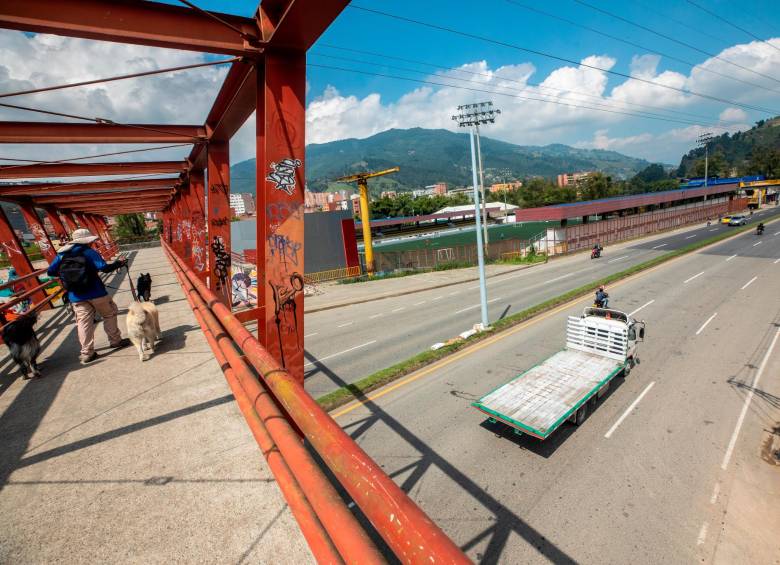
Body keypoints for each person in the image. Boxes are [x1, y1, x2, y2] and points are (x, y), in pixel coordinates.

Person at [47, 229, 129, 364]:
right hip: (96, 292)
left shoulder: (61, 254)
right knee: (109, 314)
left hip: (75, 296)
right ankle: (115, 341)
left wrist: (69, 277)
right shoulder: (89, 252)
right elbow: (104, 268)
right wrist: (119, 262)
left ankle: (87, 353)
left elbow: (51, 272)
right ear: (87, 241)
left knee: (83, 323)